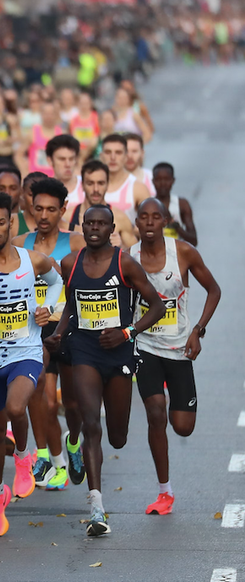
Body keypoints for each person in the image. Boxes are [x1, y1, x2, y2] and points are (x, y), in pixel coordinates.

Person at [45, 204, 164, 536]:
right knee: (90, 423)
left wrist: (127, 332)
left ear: (112, 228)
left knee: (118, 435)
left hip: (120, 352)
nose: (94, 228)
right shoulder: (71, 263)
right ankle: (97, 508)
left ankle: (96, 450)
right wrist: (58, 334)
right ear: (82, 227)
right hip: (84, 349)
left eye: (101, 223)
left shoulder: (125, 263)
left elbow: (156, 305)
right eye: (89, 223)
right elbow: (72, 303)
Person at [0, 191, 62, 537]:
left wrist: (47, 309)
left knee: (15, 406)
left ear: (11, 222)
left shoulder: (32, 260)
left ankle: (24, 455)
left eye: (1, 222)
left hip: (26, 351)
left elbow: (56, 282)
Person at [131, 198, 220, 516]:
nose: (150, 223)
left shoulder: (182, 252)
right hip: (145, 347)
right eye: (144, 217)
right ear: (136, 223)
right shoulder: (129, 257)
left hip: (179, 348)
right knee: (155, 413)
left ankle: (175, 398)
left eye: (156, 217)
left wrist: (198, 329)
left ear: (164, 221)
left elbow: (214, 290)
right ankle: (164, 492)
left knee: (182, 427)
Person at [12, 178, 85, 492]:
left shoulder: (78, 243)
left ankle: (72, 441)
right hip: (33, 331)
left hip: (67, 330)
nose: (43, 215)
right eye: (38, 208)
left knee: (71, 404)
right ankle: (44, 454)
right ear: (30, 207)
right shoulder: (18, 243)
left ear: (63, 210)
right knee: (40, 392)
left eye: (51, 210)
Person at [68, 160, 138, 249]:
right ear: (82, 185)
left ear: (107, 184)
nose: (96, 189)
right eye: (90, 183)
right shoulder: (68, 216)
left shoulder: (120, 218)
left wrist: (121, 247)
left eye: (100, 183)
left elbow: (136, 255)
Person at [100, 133, 152, 223]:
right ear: (101, 156)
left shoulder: (138, 188)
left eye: (118, 152)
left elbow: (150, 225)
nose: (113, 157)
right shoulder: (86, 185)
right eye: (108, 152)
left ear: (125, 156)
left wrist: (125, 230)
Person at [151, 163, 196, 245]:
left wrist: (175, 225)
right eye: (158, 180)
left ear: (173, 180)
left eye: (167, 179)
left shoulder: (181, 204)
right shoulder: (148, 205)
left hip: (178, 254)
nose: (162, 183)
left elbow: (193, 240)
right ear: (153, 181)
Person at [44, 135, 84, 220]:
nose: (68, 164)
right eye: (62, 159)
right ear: (50, 160)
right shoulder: (43, 190)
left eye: (71, 159)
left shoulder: (88, 186)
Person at [124, 133, 157, 197]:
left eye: (134, 151)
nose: (130, 156)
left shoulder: (152, 177)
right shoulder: (110, 179)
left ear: (142, 153)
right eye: (126, 151)